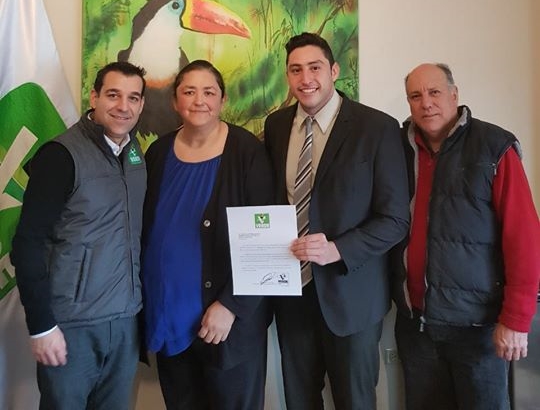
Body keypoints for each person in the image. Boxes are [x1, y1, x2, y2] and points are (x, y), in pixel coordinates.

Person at [264, 32, 410, 410]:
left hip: (352, 295)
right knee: (299, 400)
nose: (305, 79)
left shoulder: (376, 128)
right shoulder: (276, 126)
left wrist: (338, 249)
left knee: (355, 401)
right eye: (296, 70)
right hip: (292, 294)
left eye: (314, 68)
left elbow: (395, 219)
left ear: (333, 71)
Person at [392, 62, 540, 410]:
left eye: (434, 92)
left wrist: (516, 320)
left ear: (454, 95)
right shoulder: (397, 147)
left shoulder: (494, 147)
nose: (426, 103)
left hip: (479, 329)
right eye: (415, 96)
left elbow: (524, 237)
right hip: (416, 327)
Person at [11, 60, 147, 410]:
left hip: (124, 321)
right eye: (113, 95)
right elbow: (26, 243)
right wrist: (41, 326)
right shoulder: (60, 155)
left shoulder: (135, 153)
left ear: (142, 104)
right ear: (94, 97)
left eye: (133, 98)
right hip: (72, 326)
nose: (123, 106)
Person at [142, 59, 274, 410]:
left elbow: (266, 240)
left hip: (226, 321)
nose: (199, 100)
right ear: (175, 101)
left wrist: (231, 305)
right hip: (170, 314)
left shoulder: (247, 152)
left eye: (209, 92)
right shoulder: (158, 153)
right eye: (189, 92)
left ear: (223, 100)